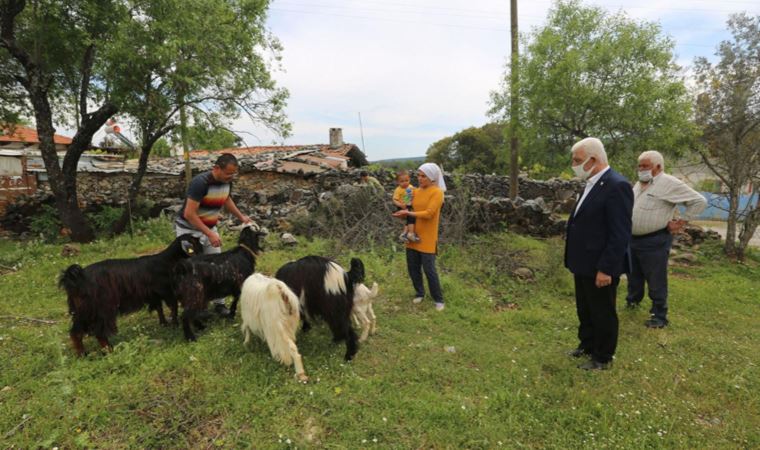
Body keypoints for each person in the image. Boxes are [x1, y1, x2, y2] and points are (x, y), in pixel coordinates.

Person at [564, 137, 633, 370]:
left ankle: (603, 357)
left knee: (602, 311)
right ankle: (587, 344)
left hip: (600, 264)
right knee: (585, 308)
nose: (574, 164)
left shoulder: (617, 185)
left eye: (577, 160)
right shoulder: (592, 183)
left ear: (593, 160)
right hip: (583, 261)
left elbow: (619, 233)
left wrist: (606, 268)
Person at [626, 150, 707, 328]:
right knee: (634, 274)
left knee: (656, 279)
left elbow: (699, 201)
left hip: (655, 239)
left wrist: (681, 221)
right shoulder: (640, 184)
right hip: (633, 239)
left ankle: (659, 315)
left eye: (645, 166)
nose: (641, 169)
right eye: (639, 166)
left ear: (658, 166)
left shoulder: (669, 183)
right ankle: (632, 301)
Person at [175, 153, 253, 317]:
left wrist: (241, 217)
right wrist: (210, 234)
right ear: (216, 168)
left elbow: (226, 200)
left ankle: (219, 303)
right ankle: (193, 306)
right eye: (228, 173)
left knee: (218, 267)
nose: (231, 177)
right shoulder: (200, 183)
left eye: (233, 174)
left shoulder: (226, 182)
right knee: (192, 268)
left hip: (209, 227)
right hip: (189, 231)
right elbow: (189, 214)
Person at [393, 163, 446, 311]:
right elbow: (409, 209)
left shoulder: (437, 193)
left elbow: (429, 214)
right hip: (413, 236)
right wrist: (402, 214)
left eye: (423, 176)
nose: (420, 179)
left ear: (432, 177)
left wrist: (408, 214)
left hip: (428, 237)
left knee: (429, 270)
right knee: (413, 268)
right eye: (419, 175)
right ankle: (420, 293)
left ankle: (438, 299)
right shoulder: (415, 191)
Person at [392, 170, 419, 243]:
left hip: (408, 204)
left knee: (410, 219)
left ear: (409, 180)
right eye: (402, 181)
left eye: (407, 180)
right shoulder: (398, 190)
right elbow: (395, 200)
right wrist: (400, 205)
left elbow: (413, 195)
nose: (405, 182)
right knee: (411, 218)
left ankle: (405, 234)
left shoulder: (410, 187)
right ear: (398, 182)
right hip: (402, 206)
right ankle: (410, 233)